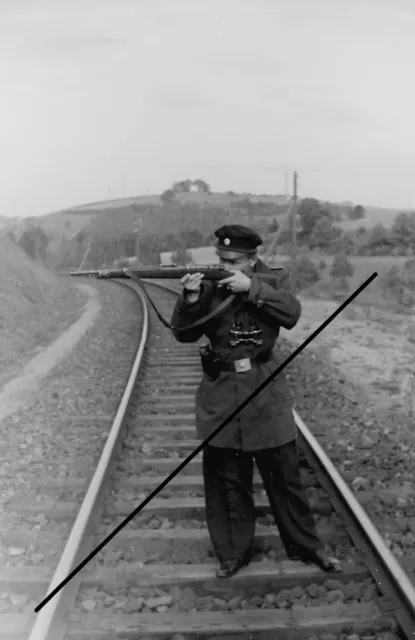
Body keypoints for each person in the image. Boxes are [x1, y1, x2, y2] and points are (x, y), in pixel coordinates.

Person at [170, 224, 342, 578]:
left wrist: (252, 289)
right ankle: (233, 554)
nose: (224, 265)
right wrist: (189, 299)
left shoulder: (271, 281)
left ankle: (306, 547)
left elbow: (291, 314)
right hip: (221, 390)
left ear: (251, 260)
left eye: (232, 261)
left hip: (265, 389)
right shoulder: (207, 284)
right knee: (227, 481)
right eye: (220, 258)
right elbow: (183, 333)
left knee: (286, 478)